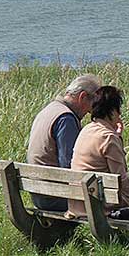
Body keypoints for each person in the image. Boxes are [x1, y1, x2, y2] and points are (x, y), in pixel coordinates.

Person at [69, 86, 129, 218]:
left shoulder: (86, 130)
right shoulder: (108, 137)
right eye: (118, 109)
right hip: (101, 206)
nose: (120, 113)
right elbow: (122, 181)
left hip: (78, 203)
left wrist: (117, 137)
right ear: (112, 111)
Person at [26, 74, 103, 211]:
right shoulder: (65, 119)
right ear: (83, 97)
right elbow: (70, 166)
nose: (92, 112)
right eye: (93, 105)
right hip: (55, 195)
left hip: (38, 191)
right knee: (114, 197)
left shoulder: (49, 109)